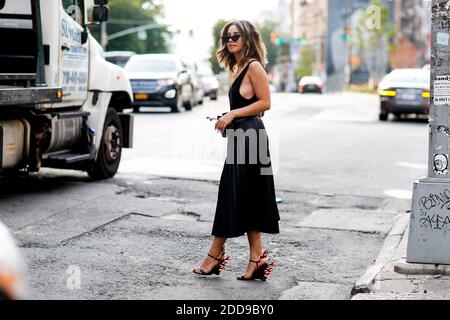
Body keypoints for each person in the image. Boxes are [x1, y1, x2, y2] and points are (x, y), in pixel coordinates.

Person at [193, 20, 280, 281]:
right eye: (227, 36)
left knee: (230, 194)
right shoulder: (239, 67)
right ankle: (257, 259)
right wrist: (229, 117)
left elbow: (265, 103)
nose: (230, 40)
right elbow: (251, 105)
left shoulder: (253, 66)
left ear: (247, 38)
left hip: (251, 138)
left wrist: (233, 114)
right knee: (247, 196)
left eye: (236, 36)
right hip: (243, 136)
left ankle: (214, 255)